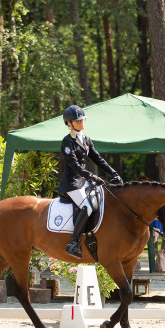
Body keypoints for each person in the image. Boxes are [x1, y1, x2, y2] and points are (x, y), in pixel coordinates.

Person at [58, 104, 123, 258]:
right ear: (69, 123)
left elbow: (98, 159)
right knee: (87, 207)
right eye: (77, 121)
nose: (81, 123)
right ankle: (73, 243)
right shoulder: (67, 142)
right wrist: (92, 176)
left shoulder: (86, 139)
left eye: (82, 120)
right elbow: (73, 165)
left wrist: (113, 173)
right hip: (72, 183)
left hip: (84, 182)